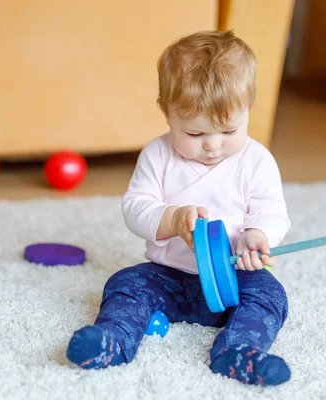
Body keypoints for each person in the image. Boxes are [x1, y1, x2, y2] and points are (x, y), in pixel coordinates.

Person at [66, 30, 292, 386]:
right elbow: (135, 207)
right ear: (166, 113)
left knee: (270, 295)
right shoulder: (158, 156)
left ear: (249, 108)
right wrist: (171, 218)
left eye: (229, 130)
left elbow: (272, 210)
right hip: (168, 277)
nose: (213, 146)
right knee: (125, 284)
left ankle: (239, 351)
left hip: (233, 278)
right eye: (195, 134)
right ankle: (112, 341)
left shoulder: (257, 161)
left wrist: (256, 236)